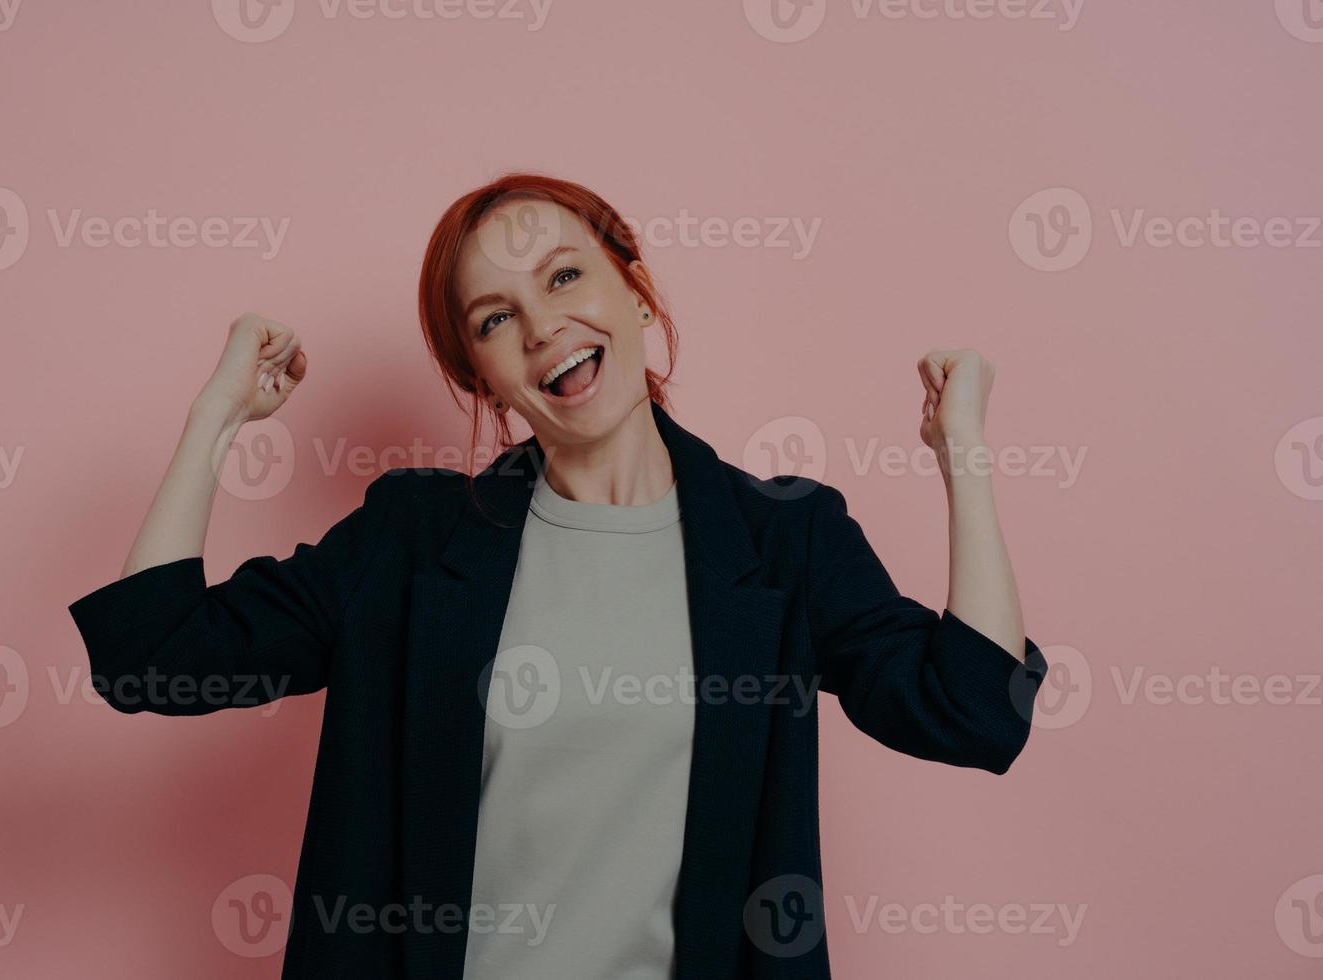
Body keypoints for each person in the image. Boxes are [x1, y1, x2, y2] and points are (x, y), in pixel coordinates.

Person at [68, 172, 1049, 980]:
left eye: (566, 274)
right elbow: (148, 655)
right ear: (481, 376)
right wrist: (215, 416)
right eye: (496, 317)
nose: (542, 325)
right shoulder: (411, 540)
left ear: (635, 289)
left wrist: (964, 452)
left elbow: (973, 708)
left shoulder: (781, 539)